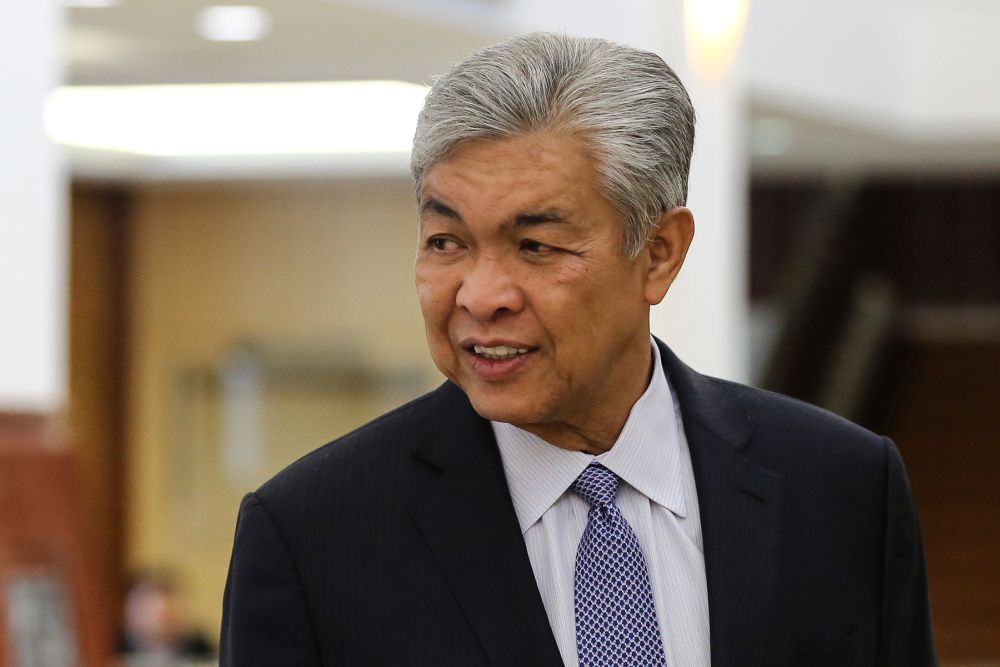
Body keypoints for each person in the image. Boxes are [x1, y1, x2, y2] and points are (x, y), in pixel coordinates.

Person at [220, 33, 937, 666]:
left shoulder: (840, 487)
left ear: (658, 252)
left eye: (536, 246)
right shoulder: (314, 536)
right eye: (447, 241)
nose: (479, 295)